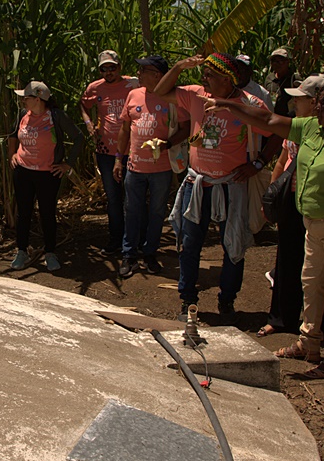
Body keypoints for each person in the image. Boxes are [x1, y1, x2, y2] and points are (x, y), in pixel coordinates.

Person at [208, 81, 324, 378]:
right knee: (311, 284)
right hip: (312, 225)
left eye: (321, 104)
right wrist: (229, 105)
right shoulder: (311, 129)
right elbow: (267, 120)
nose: (315, 107)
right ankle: (308, 342)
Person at [153, 53, 279, 324]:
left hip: (231, 186)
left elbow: (276, 132)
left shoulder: (248, 104)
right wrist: (178, 67)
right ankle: (188, 299)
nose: (204, 78)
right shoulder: (196, 95)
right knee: (189, 243)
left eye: (210, 74)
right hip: (197, 183)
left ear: (227, 79)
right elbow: (160, 91)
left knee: (233, 242)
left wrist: (257, 164)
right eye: (204, 74)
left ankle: (227, 299)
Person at [256, 74, 324, 337]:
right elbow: (282, 160)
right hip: (290, 202)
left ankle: (320, 324)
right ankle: (281, 319)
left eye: (299, 100)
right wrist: (272, 196)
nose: (293, 104)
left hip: (317, 204)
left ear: (314, 102)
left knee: (319, 267)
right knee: (287, 261)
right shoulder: (296, 127)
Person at [114, 56, 187, 278]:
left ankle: (150, 253)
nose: (139, 74)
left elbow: (185, 128)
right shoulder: (134, 95)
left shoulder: (173, 97)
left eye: (143, 70)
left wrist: (168, 143)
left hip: (162, 169)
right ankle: (128, 255)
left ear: (157, 75)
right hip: (135, 167)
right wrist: (119, 158)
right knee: (132, 211)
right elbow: (125, 129)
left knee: (156, 212)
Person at [7, 81, 85, 272]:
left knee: (47, 213)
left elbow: (79, 137)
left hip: (48, 174)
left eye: (26, 98)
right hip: (23, 171)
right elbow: (12, 135)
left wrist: (67, 164)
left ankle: (50, 252)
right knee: (23, 212)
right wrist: (13, 155)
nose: (23, 101)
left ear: (38, 99)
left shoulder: (56, 117)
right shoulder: (22, 115)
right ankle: (22, 251)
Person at [80, 51, 139, 254]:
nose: (108, 72)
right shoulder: (94, 88)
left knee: (133, 196)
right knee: (113, 197)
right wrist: (89, 124)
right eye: (104, 68)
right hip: (105, 150)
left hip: (132, 150)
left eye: (112, 67)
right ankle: (116, 239)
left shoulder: (133, 84)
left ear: (119, 67)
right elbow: (83, 105)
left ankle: (135, 240)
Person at [265, 48, 298, 117]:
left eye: (280, 61)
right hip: (271, 118)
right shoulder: (269, 78)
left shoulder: (294, 79)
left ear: (287, 62)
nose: (277, 64)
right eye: (274, 61)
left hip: (288, 120)